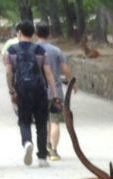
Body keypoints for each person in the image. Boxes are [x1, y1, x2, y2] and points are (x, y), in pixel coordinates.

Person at [5, 19, 53, 166]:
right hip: (39, 90)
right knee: (41, 123)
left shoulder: (11, 51)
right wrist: (55, 92)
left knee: (24, 120)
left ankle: (27, 142)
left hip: (22, 90)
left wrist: (11, 90)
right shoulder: (40, 50)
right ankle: (43, 157)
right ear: (33, 33)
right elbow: (48, 72)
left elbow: (8, 73)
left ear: (19, 33)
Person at [35, 21, 68, 161]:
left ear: (36, 33)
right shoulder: (56, 50)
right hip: (56, 91)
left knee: (43, 120)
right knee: (55, 121)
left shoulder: (33, 49)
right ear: (49, 34)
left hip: (38, 91)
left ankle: (46, 145)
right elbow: (65, 69)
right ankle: (54, 151)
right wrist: (71, 80)